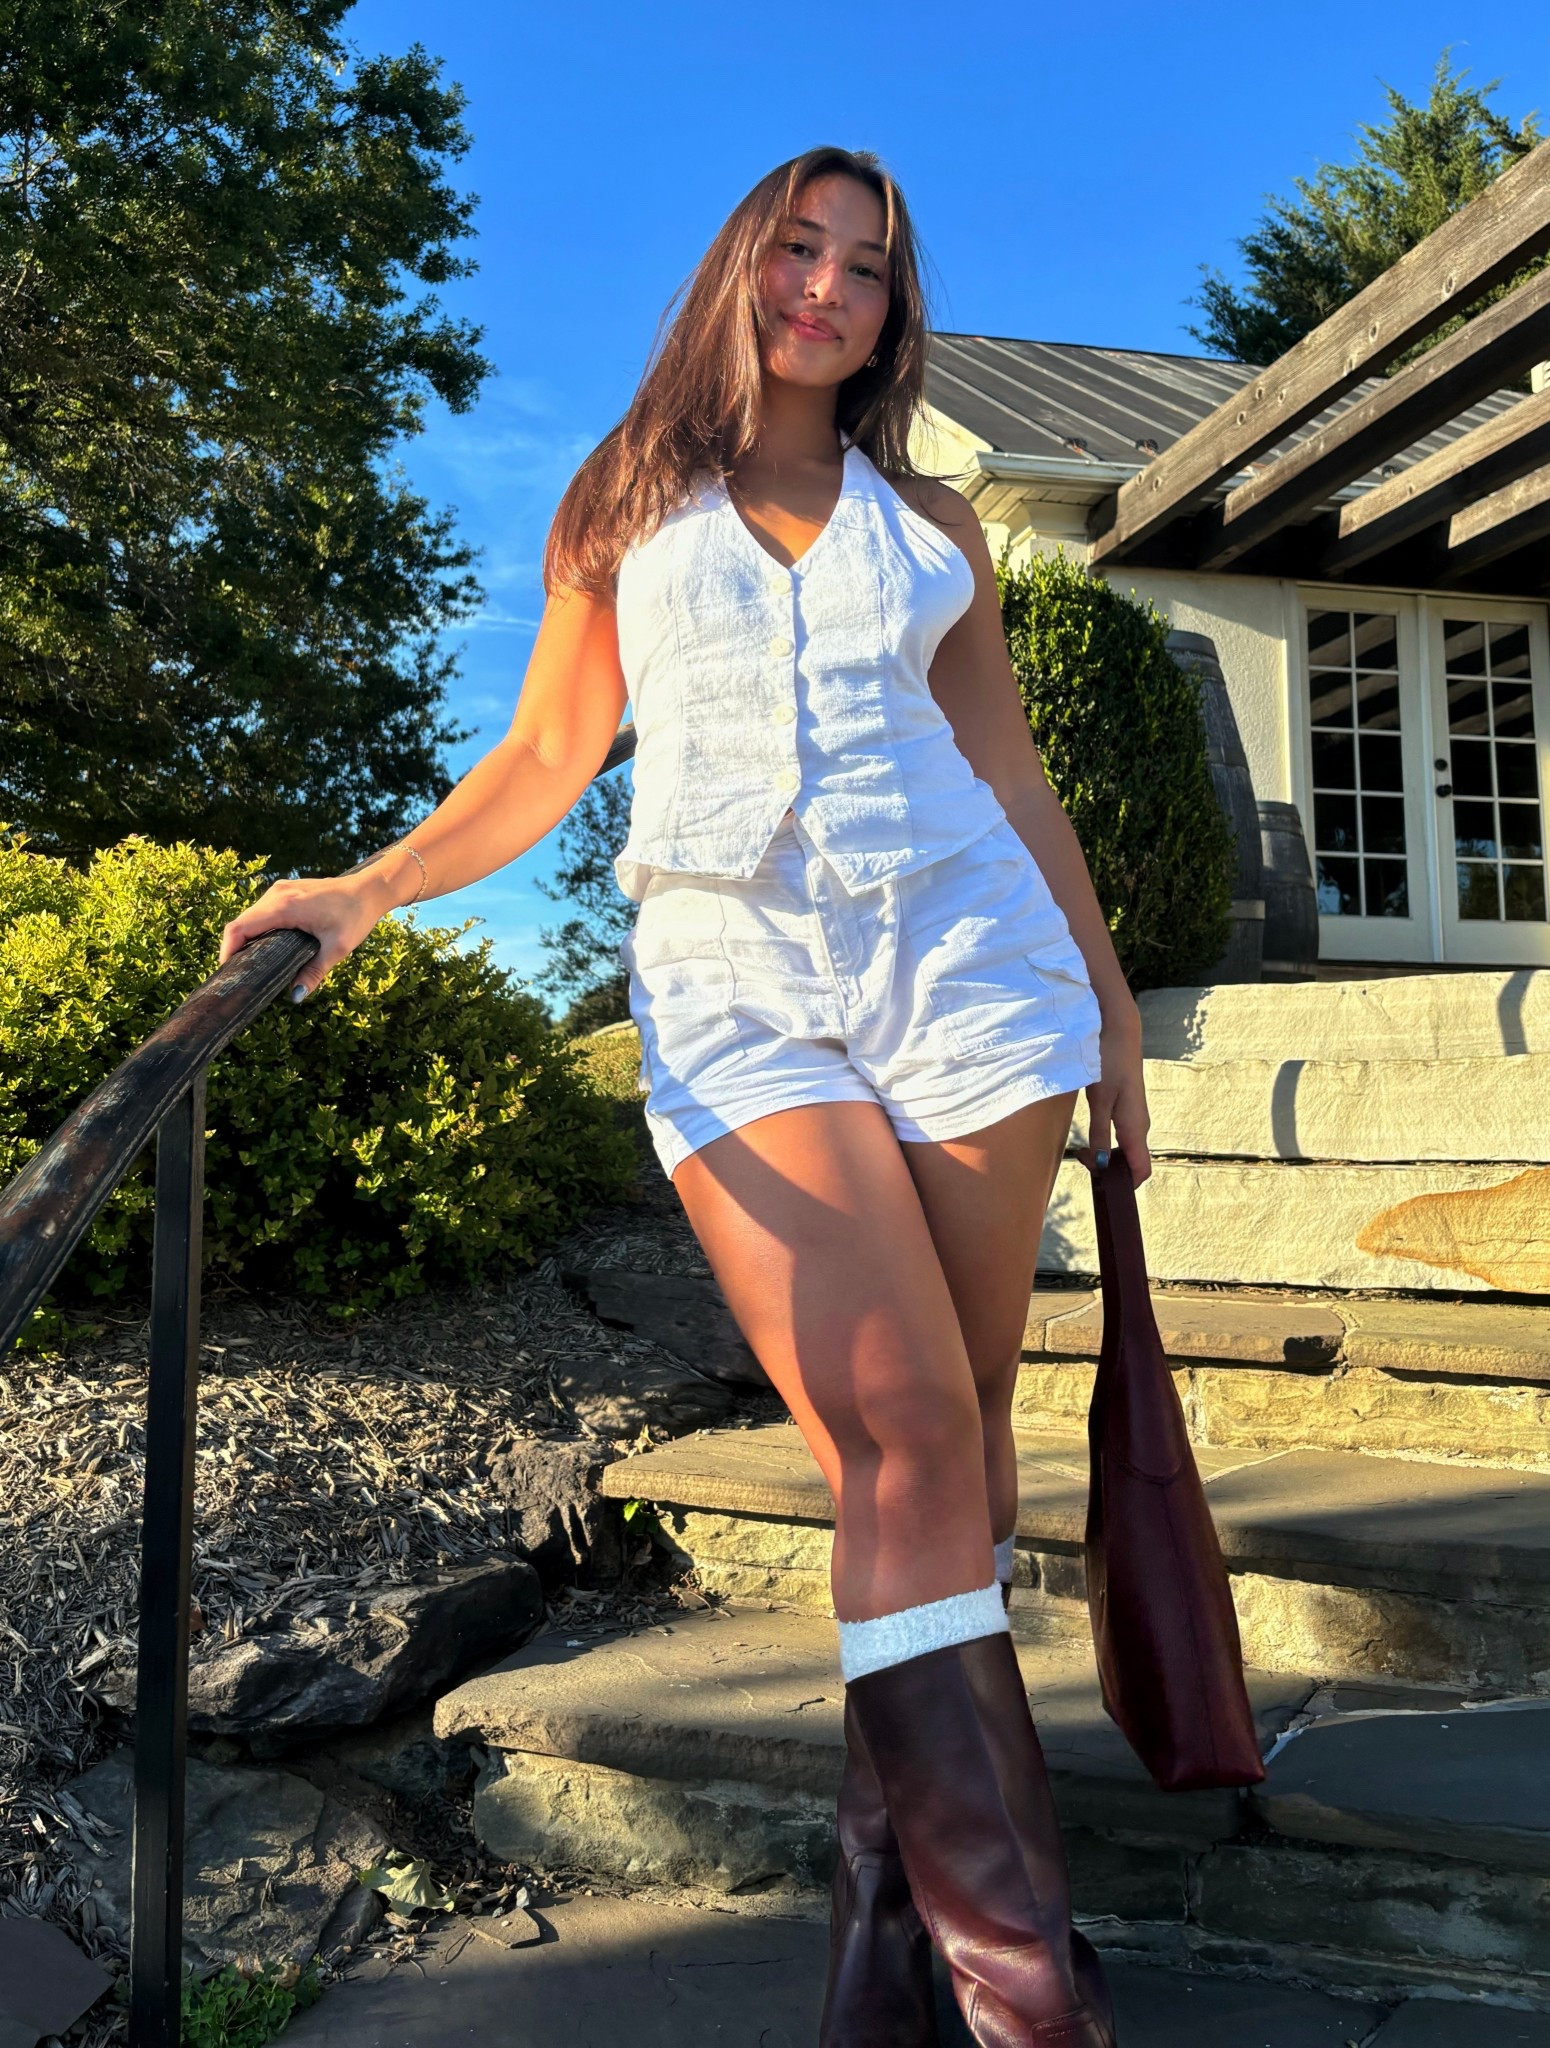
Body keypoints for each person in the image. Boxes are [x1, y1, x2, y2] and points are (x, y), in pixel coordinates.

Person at [220, 144, 1150, 2048]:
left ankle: (889, 1956)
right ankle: (1027, 1991)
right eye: (799, 248)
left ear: (893, 314)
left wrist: (1113, 1010)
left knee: (959, 1449)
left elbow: (1011, 774)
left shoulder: (937, 527)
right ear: (741, 266)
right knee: (900, 1426)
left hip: (972, 975)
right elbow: (545, 754)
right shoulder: (627, 499)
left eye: (868, 268)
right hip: (738, 988)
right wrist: (370, 889)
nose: (828, 288)